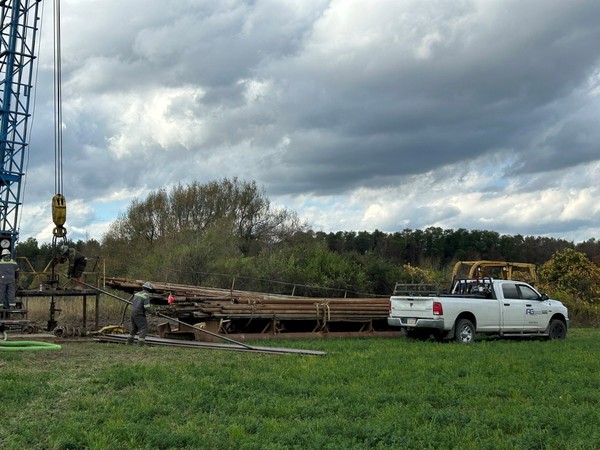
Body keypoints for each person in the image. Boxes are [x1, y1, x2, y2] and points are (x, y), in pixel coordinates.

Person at [126, 281, 156, 347]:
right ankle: (140, 344)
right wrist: (153, 312)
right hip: (139, 314)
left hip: (133, 313)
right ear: (149, 289)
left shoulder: (137, 294)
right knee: (144, 328)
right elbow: (147, 307)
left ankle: (129, 342)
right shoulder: (146, 296)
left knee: (134, 328)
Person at [0, 249, 19, 318]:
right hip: (11, 280)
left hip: (2, 280)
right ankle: (11, 307)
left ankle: (1, 307)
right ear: (9, 255)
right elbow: (17, 272)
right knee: (11, 293)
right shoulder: (14, 262)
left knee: (1, 293)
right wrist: (16, 279)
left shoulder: (0, 262)